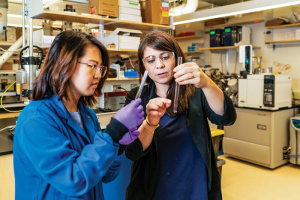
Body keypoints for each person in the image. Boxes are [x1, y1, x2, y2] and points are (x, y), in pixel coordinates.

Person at [13, 30, 144, 200]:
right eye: (92, 65)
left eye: (101, 68)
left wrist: (117, 145)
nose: (98, 74)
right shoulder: (35, 118)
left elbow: (106, 176)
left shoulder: (87, 116)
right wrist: (112, 133)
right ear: (65, 63)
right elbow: (73, 180)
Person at [123, 30, 237, 200]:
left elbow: (226, 118)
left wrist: (206, 83)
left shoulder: (196, 91)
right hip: (155, 189)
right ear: (144, 66)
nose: (159, 65)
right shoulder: (137, 97)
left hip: (194, 187)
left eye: (165, 57)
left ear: (177, 58)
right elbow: (133, 152)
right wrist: (150, 124)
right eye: (151, 60)